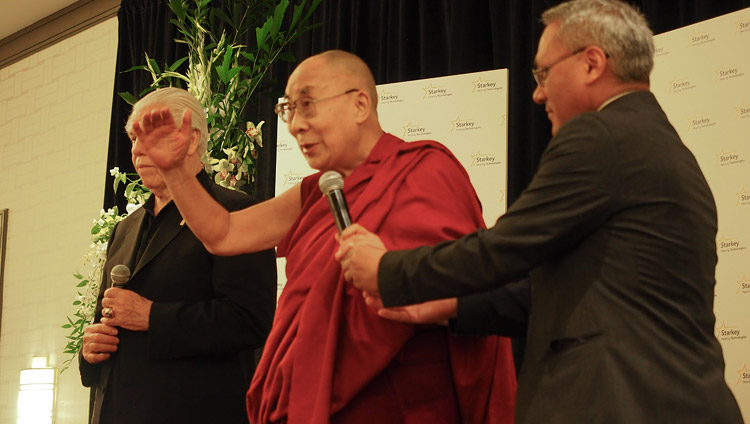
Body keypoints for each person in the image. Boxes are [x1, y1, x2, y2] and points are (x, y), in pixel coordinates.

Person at [337, 0, 745, 423]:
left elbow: (503, 249)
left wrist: (388, 270)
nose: (537, 92)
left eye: (544, 73)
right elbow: (576, 298)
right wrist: (451, 305)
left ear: (591, 63)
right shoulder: (665, 147)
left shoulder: (599, 136)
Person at [132, 50, 517, 423]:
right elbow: (225, 234)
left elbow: (465, 290)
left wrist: (390, 271)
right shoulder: (316, 191)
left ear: (360, 105)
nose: (296, 124)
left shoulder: (425, 169)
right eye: (288, 110)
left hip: (403, 401)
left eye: (307, 105)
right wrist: (177, 171)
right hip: (317, 401)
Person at [79, 87, 277, 424]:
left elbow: (250, 321)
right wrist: (91, 349)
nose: (137, 150)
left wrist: (153, 317)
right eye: (132, 139)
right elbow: (110, 318)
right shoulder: (124, 229)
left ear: (190, 138)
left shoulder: (235, 212)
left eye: (149, 136)